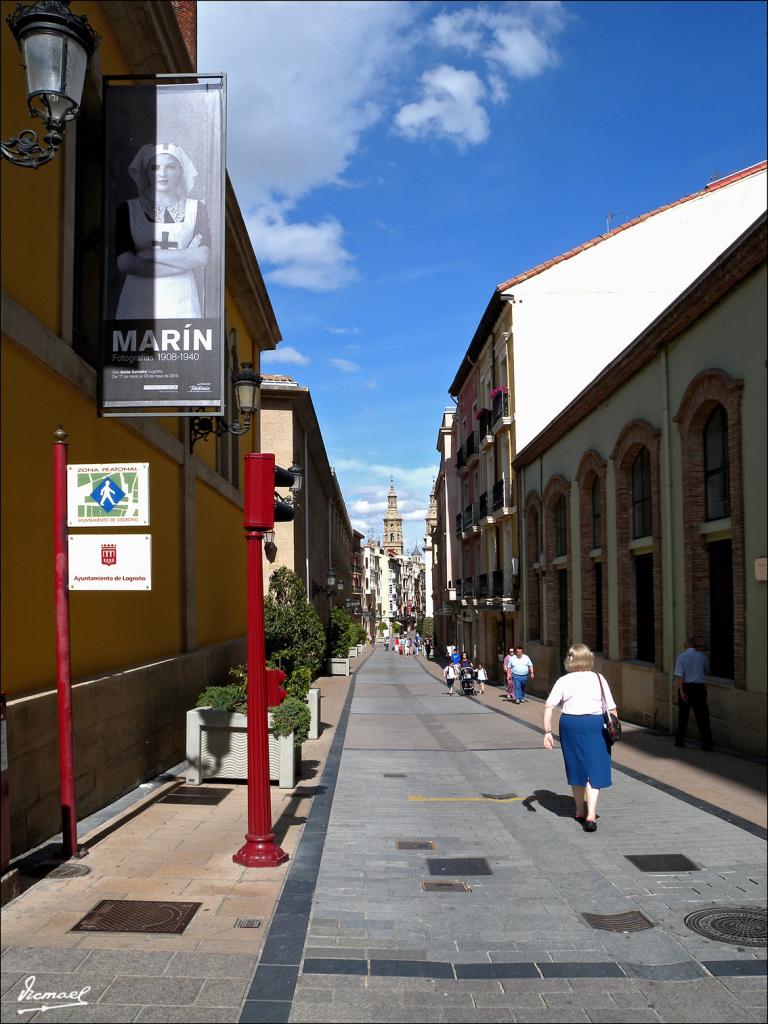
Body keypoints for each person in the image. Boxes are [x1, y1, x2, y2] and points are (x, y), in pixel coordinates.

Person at [115, 143, 210, 320]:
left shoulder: (196, 209)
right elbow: (126, 263)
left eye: (170, 167)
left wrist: (151, 254)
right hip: (138, 297)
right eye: (155, 167)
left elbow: (202, 256)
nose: (162, 173)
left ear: (180, 171)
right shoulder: (128, 209)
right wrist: (185, 259)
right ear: (146, 172)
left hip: (181, 299)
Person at [543, 643, 618, 833]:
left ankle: (579, 810)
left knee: (576, 765)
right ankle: (591, 814)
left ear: (570, 659)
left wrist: (547, 732)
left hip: (571, 725)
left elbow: (549, 706)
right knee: (595, 766)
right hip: (596, 725)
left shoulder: (564, 681)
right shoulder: (599, 678)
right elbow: (612, 708)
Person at [674, 638, 713, 750]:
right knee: (702, 717)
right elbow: (707, 670)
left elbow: (679, 676)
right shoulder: (702, 656)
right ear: (694, 646)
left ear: (685, 646)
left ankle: (680, 741)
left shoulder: (681, 657)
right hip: (699, 688)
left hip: (686, 687)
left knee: (683, 716)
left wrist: (681, 691)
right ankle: (707, 743)